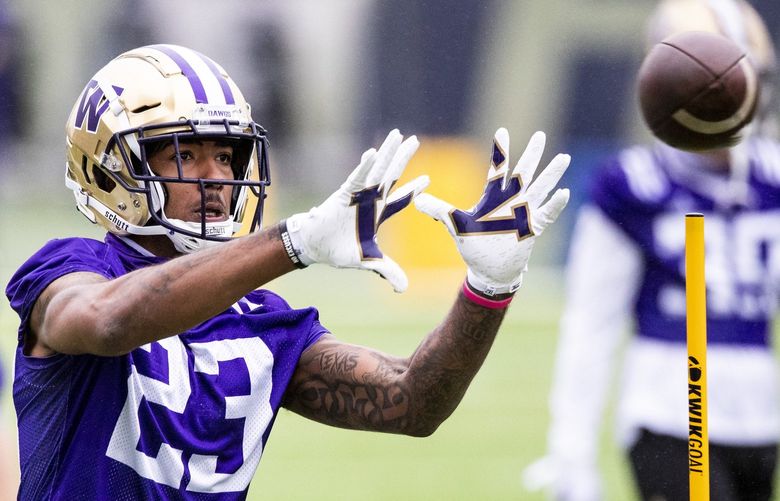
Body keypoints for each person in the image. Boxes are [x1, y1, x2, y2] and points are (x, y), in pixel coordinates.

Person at [5, 44, 570, 499]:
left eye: (226, 156)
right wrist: (292, 242)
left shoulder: (262, 321)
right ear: (111, 167)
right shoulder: (72, 267)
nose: (216, 178)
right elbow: (108, 321)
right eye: (185, 154)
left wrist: (488, 289)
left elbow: (413, 400)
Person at [522, 0, 780, 500]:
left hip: (758, 416)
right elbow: (591, 325)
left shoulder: (770, 178)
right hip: (673, 412)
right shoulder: (634, 186)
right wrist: (571, 452)